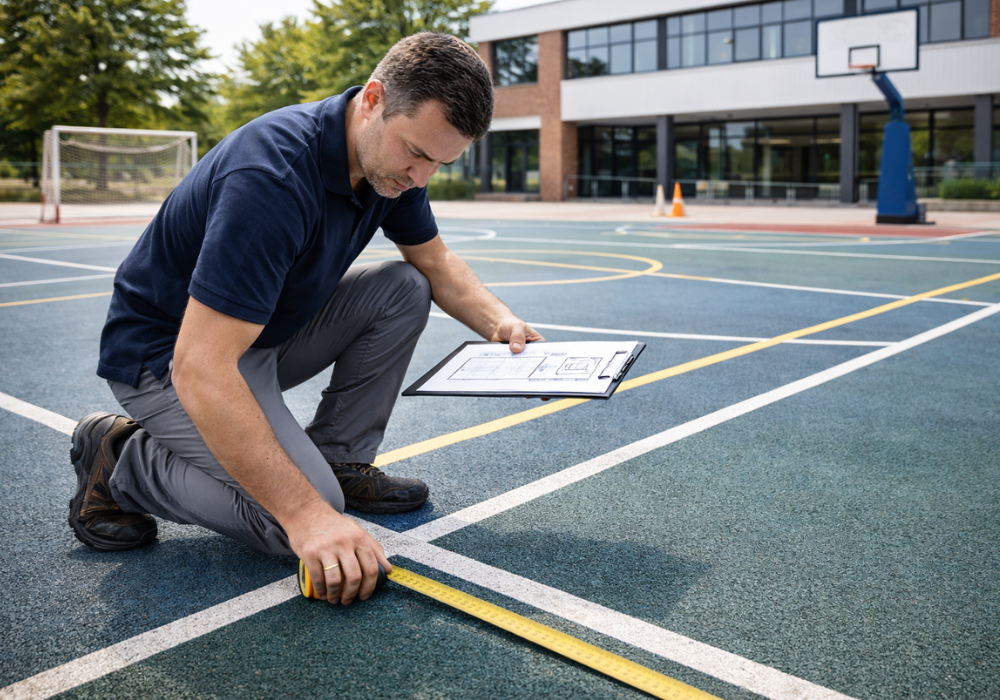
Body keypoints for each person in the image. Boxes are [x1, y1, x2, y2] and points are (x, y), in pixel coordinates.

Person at [68, 33, 543, 606]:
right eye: (417, 154)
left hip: (256, 339)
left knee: (403, 286)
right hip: (168, 358)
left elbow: (435, 261)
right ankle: (123, 459)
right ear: (372, 99)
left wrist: (502, 323)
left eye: (439, 163)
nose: (421, 178)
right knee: (287, 523)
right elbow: (200, 367)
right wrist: (307, 516)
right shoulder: (270, 178)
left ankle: (338, 459)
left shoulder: (389, 164)